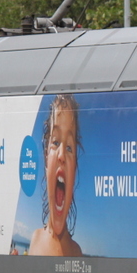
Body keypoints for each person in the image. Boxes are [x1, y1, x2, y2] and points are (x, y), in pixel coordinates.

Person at [29, 94, 83, 256]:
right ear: (46, 159)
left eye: (69, 148)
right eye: (56, 142)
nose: (61, 155)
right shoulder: (35, 239)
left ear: (74, 169)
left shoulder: (76, 252)